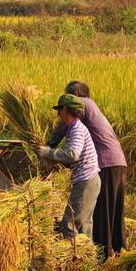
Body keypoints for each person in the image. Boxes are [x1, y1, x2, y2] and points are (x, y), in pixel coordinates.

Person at [47, 80, 128, 260]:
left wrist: (48, 147)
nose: (60, 112)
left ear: (74, 97)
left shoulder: (82, 106)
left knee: (100, 212)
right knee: (110, 212)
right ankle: (114, 253)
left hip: (106, 163)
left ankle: (102, 255)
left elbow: (65, 134)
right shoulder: (91, 109)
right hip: (117, 161)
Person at [37, 94, 101, 239]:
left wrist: (48, 152)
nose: (58, 115)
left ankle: (72, 259)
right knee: (84, 226)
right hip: (90, 180)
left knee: (68, 225)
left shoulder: (77, 129)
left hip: (86, 181)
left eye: (59, 111)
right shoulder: (73, 128)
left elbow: (73, 154)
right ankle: (86, 259)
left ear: (65, 110)